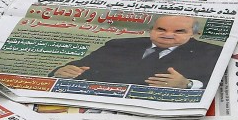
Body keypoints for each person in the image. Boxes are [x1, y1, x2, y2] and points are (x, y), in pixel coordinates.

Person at [51, 15, 223, 88]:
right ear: (151, 29)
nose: (168, 35)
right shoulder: (120, 44)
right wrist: (60, 71)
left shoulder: (212, 53)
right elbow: (80, 66)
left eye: (179, 32)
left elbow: (220, 89)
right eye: (161, 29)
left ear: (194, 34)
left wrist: (188, 85)